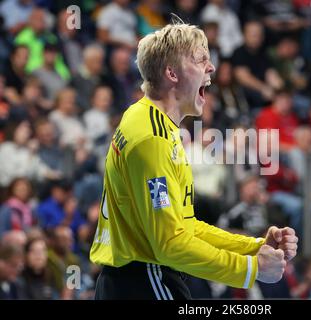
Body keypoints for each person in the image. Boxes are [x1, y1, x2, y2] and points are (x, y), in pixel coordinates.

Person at [90, 21, 298, 300]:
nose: (211, 68)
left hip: (138, 278)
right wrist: (252, 269)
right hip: (145, 280)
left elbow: (185, 227)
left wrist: (253, 248)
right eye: (201, 59)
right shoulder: (152, 137)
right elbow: (170, 245)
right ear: (171, 72)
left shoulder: (151, 122)